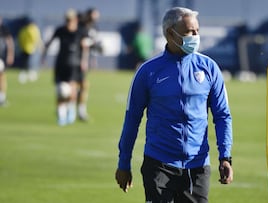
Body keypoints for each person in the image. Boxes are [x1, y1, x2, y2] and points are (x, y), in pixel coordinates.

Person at [115, 7, 233, 202]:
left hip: (197, 166)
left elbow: (222, 116)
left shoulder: (210, 68)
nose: (196, 36)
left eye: (197, 31)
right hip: (158, 164)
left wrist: (225, 156)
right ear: (171, 33)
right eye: (190, 32)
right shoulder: (148, 72)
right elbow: (132, 119)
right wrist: (123, 163)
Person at [42, 9, 89, 126]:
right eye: (67, 20)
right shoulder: (60, 30)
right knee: (61, 91)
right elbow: (49, 43)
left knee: (72, 91)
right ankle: (61, 116)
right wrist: (43, 56)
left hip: (74, 65)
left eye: (71, 19)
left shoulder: (80, 32)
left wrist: (84, 61)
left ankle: (71, 112)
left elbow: (85, 48)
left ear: (75, 20)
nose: (69, 22)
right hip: (61, 64)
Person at [76, 7, 102, 121]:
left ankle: (78, 110)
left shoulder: (94, 27)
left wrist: (94, 57)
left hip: (85, 59)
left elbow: (93, 44)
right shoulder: (82, 27)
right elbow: (84, 44)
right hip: (78, 59)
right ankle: (77, 111)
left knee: (81, 86)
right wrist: (84, 60)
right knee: (80, 85)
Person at [17, 16, 42, 84]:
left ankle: (29, 75)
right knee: (27, 62)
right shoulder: (30, 30)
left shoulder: (30, 29)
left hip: (30, 48)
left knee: (30, 63)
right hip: (28, 48)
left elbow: (37, 39)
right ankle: (26, 75)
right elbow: (34, 38)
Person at [0, 16, 14, 106]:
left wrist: (10, 55)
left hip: (0, 58)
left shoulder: (3, 29)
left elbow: (10, 42)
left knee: (2, 76)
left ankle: (2, 97)